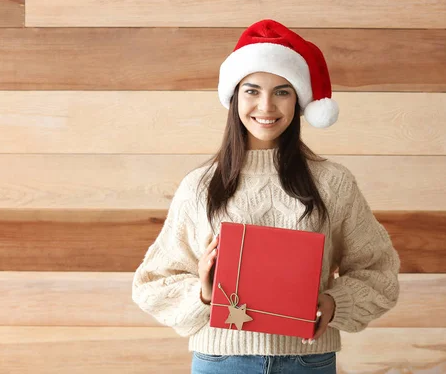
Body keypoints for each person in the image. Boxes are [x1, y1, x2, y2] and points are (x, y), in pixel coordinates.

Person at [131, 19, 401, 374]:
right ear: (234, 97)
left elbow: (378, 271)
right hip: (221, 362)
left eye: (282, 91)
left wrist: (334, 302)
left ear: (299, 101)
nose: (266, 106)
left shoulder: (333, 182)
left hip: (308, 360)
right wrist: (204, 293)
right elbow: (152, 282)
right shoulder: (200, 185)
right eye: (252, 90)